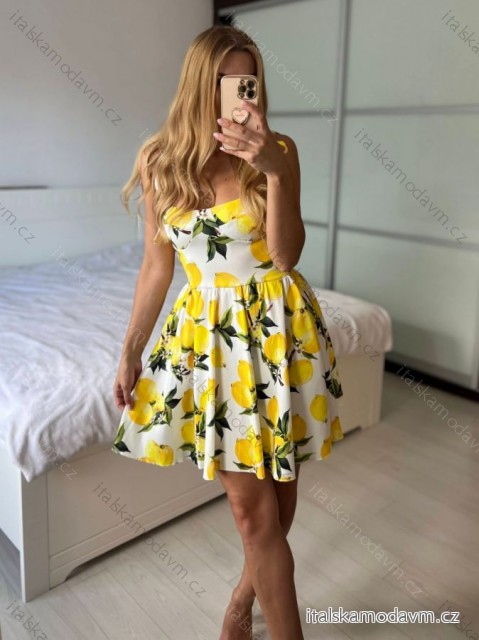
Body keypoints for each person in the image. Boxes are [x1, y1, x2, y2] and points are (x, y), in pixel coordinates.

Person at [112, 24, 345, 640]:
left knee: (279, 503)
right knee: (251, 512)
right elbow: (157, 266)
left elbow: (286, 255)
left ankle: (244, 600)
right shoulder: (159, 160)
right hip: (213, 343)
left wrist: (273, 171)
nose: (242, 93)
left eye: (249, 80)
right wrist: (131, 348)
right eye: (227, 81)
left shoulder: (280, 150)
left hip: (280, 333)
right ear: (200, 83)